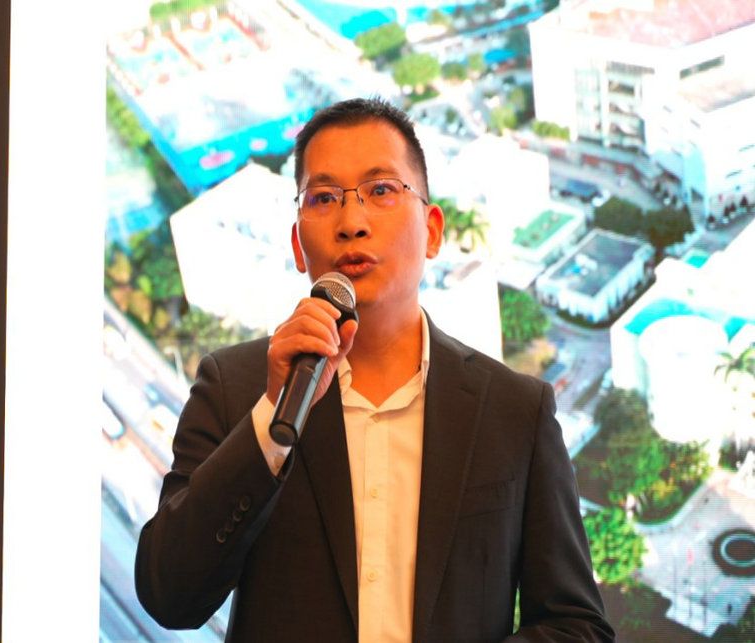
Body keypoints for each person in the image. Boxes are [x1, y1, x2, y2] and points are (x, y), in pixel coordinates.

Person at [135, 97, 613, 642]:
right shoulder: (233, 387)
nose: (351, 222)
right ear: (297, 244)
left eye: (381, 190)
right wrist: (270, 423)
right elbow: (168, 595)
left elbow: (578, 627)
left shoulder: (514, 410)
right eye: (323, 198)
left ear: (432, 230)